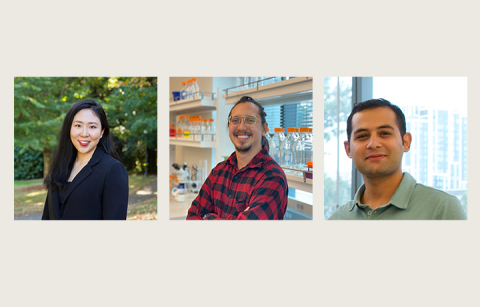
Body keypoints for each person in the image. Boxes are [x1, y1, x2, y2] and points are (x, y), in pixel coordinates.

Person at [329, 98, 466, 220]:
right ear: (348, 149)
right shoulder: (339, 219)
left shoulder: (441, 209)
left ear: (406, 142)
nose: (373, 144)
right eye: (362, 136)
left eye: (384, 133)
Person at [187, 96, 288, 220]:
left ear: (264, 128)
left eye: (250, 120)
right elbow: (193, 215)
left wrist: (208, 217)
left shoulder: (273, 177)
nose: (241, 127)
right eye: (235, 120)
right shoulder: (219, 171)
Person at [42, 100, 129, 220]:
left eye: (92, 127)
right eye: (78, 125)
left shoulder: (113, 170)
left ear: (102, 132)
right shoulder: (61, 165)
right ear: (69, 128)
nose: (84, 133)